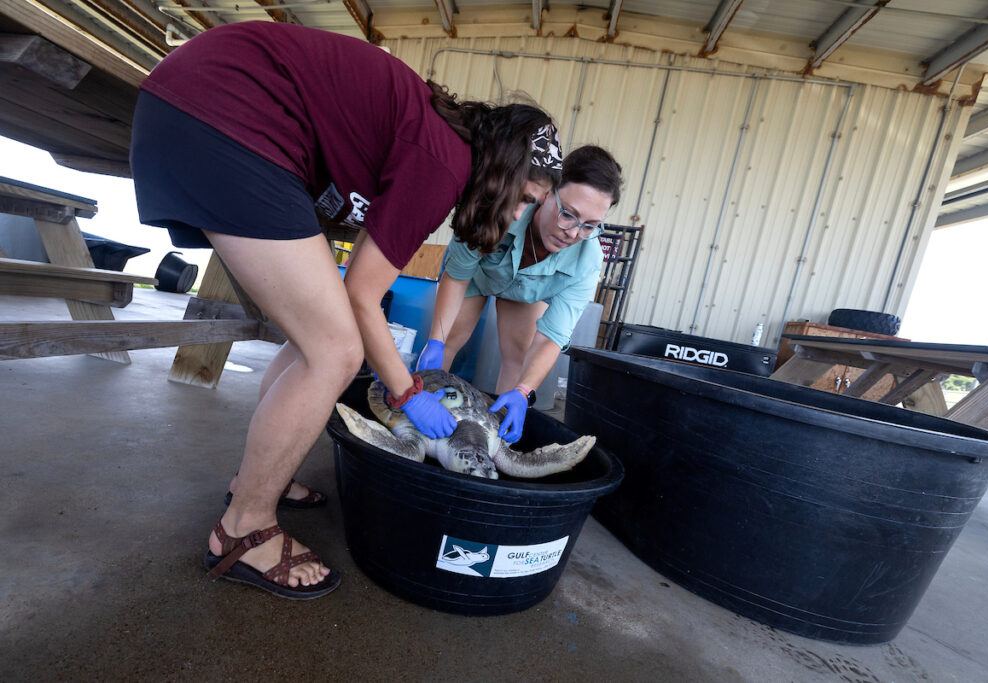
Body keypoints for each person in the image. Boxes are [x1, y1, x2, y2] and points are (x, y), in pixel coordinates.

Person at [129, 21, 562, 599]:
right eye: (525, 201)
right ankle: (243, 530)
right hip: (227, 115)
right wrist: (408, 393)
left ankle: (258, 482)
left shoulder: (438, 145)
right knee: (336, 350)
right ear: (506, 170)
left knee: (314, 337)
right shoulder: (442, 162)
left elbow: (356, 283)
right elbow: (363, 293)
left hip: (206, 104)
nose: (516, 218)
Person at [417, 145, 622, 444]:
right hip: (476, 274)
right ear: (548, 192)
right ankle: (423, 421)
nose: (573, 233)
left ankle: (494, 438)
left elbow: (553, 335)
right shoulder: (502, 209)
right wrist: (435, 340)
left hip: (525, 292)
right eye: (568, 214)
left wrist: (524, 392)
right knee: (448, 339)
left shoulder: (587, 260)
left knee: (519, 355)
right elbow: (458, 276)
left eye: (589, 225)